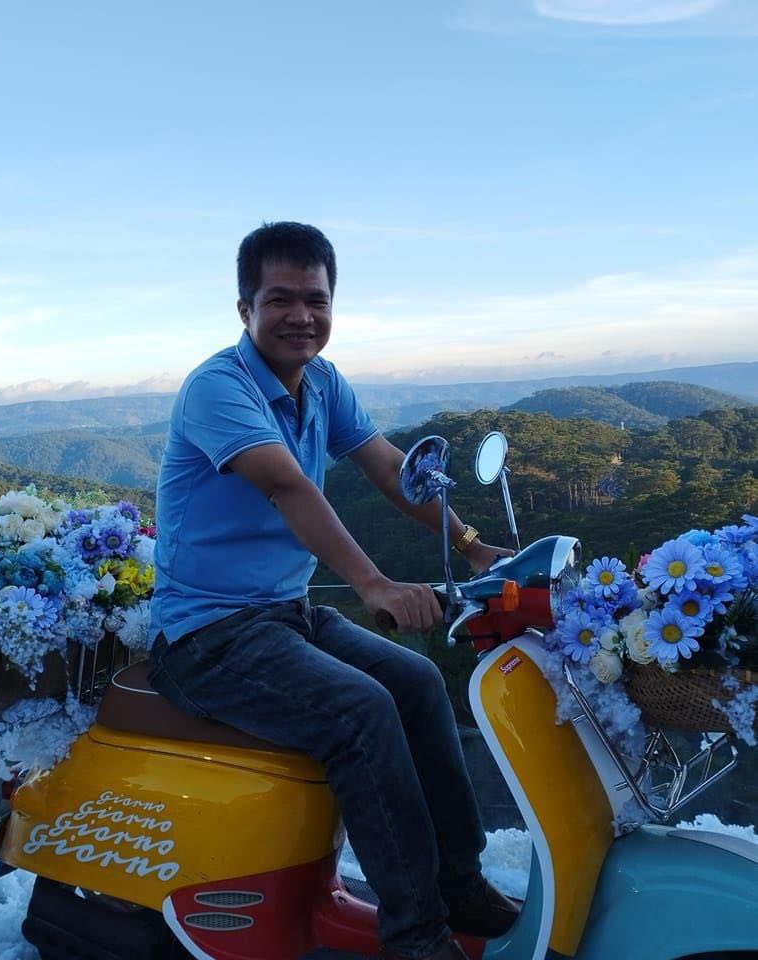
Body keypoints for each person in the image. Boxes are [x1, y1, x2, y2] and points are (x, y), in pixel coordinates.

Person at [148, 221, 518, 960]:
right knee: (361, 710)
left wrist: (473, 546)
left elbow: (392, 471)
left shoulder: (322, 381)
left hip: (287, 613)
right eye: (279, 299)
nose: (300, 316)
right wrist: (373, 582)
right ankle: (415, 936)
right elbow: (287, 486)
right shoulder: (217, 386)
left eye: (315, 300)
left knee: (414, 681)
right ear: (244, 307)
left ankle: (458, 879)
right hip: (206, 636)